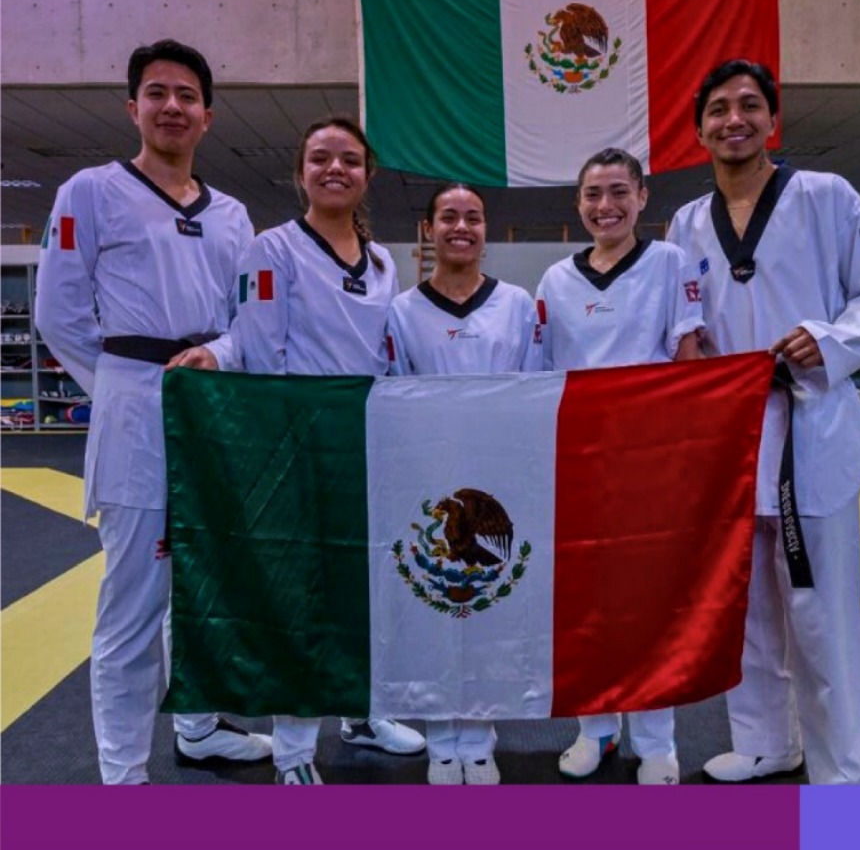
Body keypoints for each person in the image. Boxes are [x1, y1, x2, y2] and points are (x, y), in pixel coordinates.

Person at [666, 59, 860, 785]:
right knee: (746, 607)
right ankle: (767, 739)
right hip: (732, 434)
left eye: (748, 105)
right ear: (700, 129)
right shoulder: (685, 221)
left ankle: (843, 771)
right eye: (717, 109)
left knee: (820, 613)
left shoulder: (825, 197)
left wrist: (829, 341)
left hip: (810, 425)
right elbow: (680, 323)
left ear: (773, 120)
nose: (732, 119)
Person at [35, 39, 272, 784]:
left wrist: (222, 358)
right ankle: (124, 776)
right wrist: (124, 384)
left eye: (186, 95)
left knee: (210, 587)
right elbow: (59, 314)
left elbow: (249, 322)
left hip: (215, 413)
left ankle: (200, 729)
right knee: (134, 601)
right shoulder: (92, 190)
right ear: (132, 105)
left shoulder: (233, 214)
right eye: (157, 92)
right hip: (138, 407)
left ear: (208, 114)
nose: (172, 106)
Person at [230, 116, 425, 784]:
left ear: (367, 174)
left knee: (365, 590)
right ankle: (291, 751)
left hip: (364, 444)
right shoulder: (273, 249)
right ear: (299, 172)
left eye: (348, 159)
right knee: (301, 598)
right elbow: (258, 356)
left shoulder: (380, 261)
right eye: (320, 158)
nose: (334, 168)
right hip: (296, 444)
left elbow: (383, 356)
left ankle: (361, 712)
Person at [536, 147, 706, 786]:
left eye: (617, 192)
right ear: (577, 204)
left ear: (641, 198)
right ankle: (595, 727)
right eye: (591, 195)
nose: (604, 207)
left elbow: (688, 356)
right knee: (585, 603)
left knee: (648, 602)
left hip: (648, 456)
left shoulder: (668, 263)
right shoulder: (555, 280)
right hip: (579, 458)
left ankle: (657, 738)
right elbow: (539, 374)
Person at [384, 183, 540, 785]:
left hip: (497, 482)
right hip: (428, 486)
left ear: (485, 230)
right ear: (429, 229)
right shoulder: (402, 310)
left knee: (488, 614)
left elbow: (533, 387)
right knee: (430, 610)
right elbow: (393, 395)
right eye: (448, 217)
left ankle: (479, 737)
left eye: (473, 218)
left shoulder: (518, 304)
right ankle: (439, 738)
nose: (461, 227)